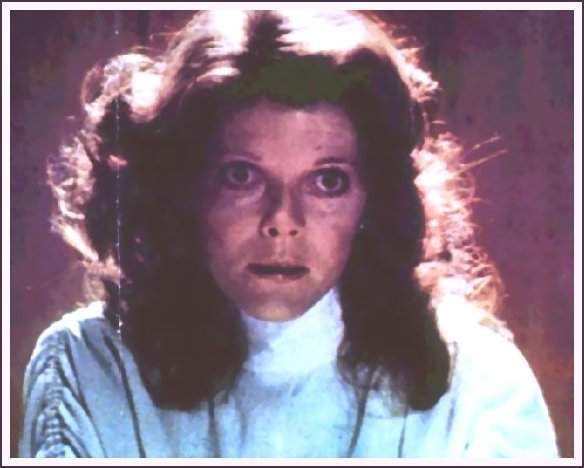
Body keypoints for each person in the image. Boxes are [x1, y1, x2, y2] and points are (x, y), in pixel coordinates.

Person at [19, 10, 559, 458]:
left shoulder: (476, 384)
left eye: (327, 181)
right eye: (242, 176)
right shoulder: (87, 368)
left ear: (374, 201)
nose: (282, 218)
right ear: (183, 186)